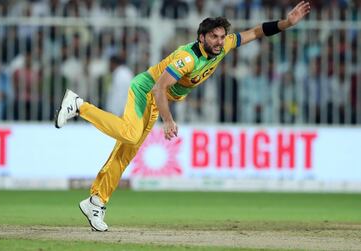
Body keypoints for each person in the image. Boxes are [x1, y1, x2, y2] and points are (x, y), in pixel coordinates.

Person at [55, 1, 310, 232]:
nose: (220, 41)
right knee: (130, 134)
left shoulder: (223, 47)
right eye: (213, 37)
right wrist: (168, 120)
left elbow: (255, 32)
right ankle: (79, 105)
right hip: (146, 90)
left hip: (156, 102)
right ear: (201, 38)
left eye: (222, 36)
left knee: (126, 153)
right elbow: (159, 88)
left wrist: (286, 23)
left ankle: (96, 201)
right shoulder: (187, 58)